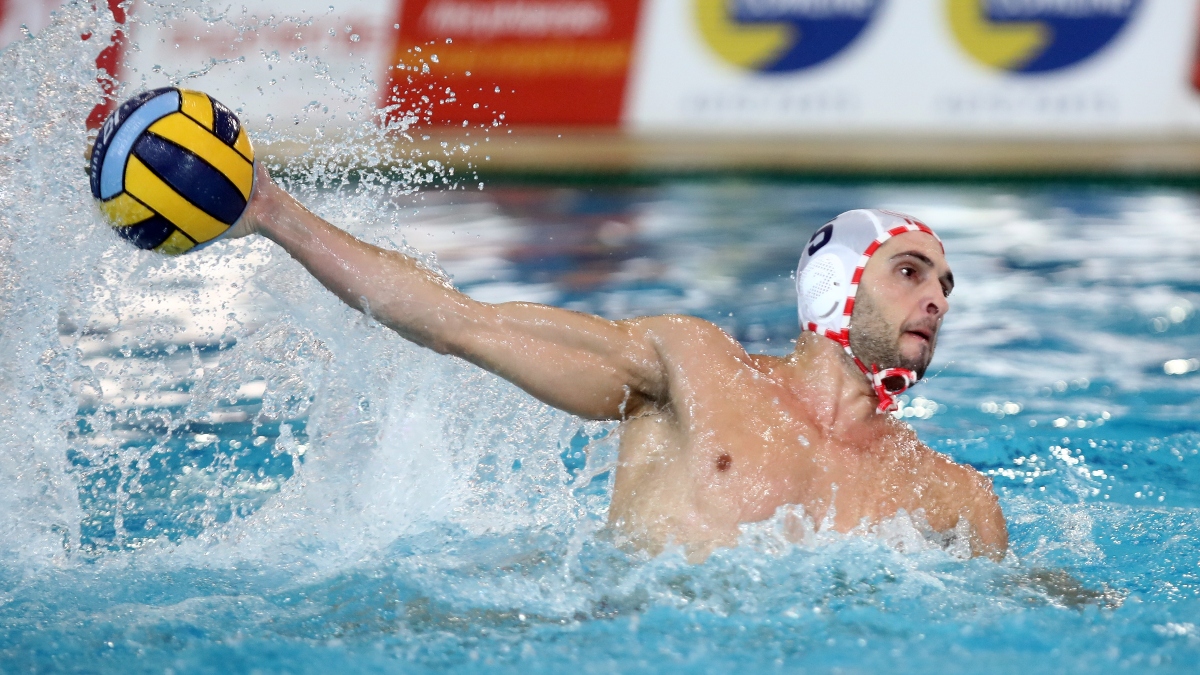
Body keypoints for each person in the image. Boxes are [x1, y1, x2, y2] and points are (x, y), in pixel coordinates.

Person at [227, 163, 1008, 562]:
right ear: (836, 285)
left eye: (945, 285)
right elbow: (459, 324)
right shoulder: (695, 366)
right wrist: (273, 211)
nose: (935, 297)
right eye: (910, 272)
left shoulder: (954, 495)